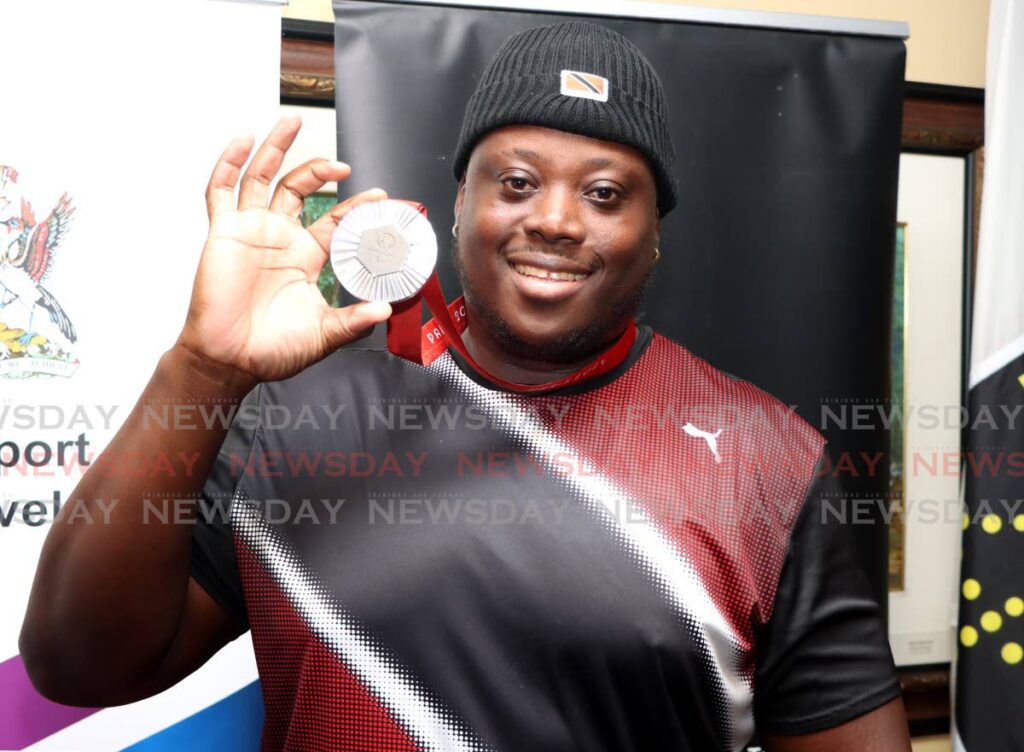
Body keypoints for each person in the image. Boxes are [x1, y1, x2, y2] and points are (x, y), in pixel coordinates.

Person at [20, 21, 911, 752]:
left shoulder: (765, 459)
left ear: (655, 237)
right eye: (517, 182)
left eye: (606, 194)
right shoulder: (297, 423)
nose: (556, 220)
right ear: (458, 207)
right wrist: (205, 369)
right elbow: (76, 664)